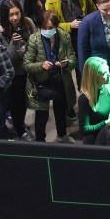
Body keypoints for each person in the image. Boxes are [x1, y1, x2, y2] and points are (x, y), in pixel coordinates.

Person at [23, 9, 77, 143]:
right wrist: (40, 65)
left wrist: (66, 64)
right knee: (42, 115)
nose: (48, 30)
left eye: (51, 28)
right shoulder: (34, 39)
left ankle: (62, 135)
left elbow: (73, 59)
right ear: (40, 27)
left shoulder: (64, 36)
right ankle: (40, 140)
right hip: (42, 83)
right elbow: (26, 64)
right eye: (45, 28)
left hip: (59, 80)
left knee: (60, 111)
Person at [0, 0, 37, 141]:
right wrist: (14, 42)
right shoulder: (0, 32)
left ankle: (20, 123)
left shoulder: (29, 23)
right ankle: (20, 130)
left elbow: (35, 44)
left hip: (28, 70)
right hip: (13, 75)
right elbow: (7, 58)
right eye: (10, 15)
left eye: (17, 13)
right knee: (16, 103)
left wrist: (25, 48)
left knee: (26, 101)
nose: (14, 18)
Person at [45, 0, 96, 64]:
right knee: (78, 67)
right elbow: (51, 26)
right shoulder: (51, 1)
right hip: (66, 41)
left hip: (85, 36)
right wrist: (70, 26)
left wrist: (87, 23)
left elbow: (94, 12)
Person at [78, 55, 110, 144]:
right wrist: (107, 122)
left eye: (108, 71)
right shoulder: (84, 99)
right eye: (104, 73)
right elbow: (84, 130)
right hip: (96, 142)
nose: (109, 75)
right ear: (93, 76)